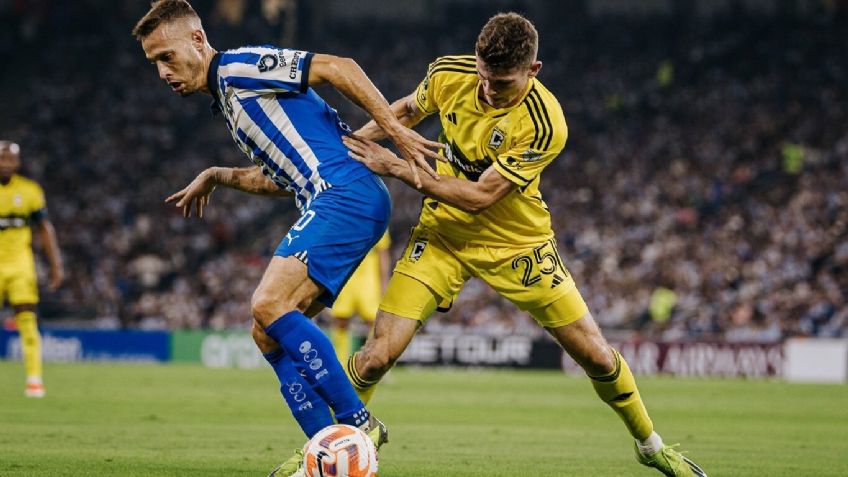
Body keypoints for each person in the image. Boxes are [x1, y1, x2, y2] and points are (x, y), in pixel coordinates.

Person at [342, 13, 707, 477]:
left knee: (596, 355)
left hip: (518, 245)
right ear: (475, 59)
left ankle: (650, 445)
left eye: (503, 83)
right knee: (376, 356)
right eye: (484, 75)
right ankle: (333, 440)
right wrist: (349, 143)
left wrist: (394, 167)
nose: (489, 89)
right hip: (443, 237)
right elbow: (407, 112)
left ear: (533, 71)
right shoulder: (448, 73)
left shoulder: (544, 122)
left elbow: (479, 197)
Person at [131, 2, 442, 476]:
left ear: (197, 41)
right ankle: (326, 452)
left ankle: (359, 425)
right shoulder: (231, 102)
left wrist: (396, 131)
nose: (161, 73)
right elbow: (280, 178)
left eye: (166, 57)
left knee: (268, 304)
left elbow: (340, 67)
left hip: (345, 194)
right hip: (337, 198)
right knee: (266, 331)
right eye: (154, 63)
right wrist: (219, 174)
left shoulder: (239, 67)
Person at [0, 140, 64, 398]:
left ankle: (34, 380)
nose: (5, 164)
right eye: (1, 159)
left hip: (20, 266)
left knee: (27, 321)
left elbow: (44, 229)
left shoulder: (29, 191)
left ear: (18, 163)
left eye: (10, 159)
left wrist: (56, 265)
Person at [327, 231, 391, 362]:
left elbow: (382, 254)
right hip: (345, 278)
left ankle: (374, 363)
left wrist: (384, 283)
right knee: (340, 321)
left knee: (375, 323)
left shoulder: (377, 217)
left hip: (369, 280)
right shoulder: (342, 219)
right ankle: (340, 364)